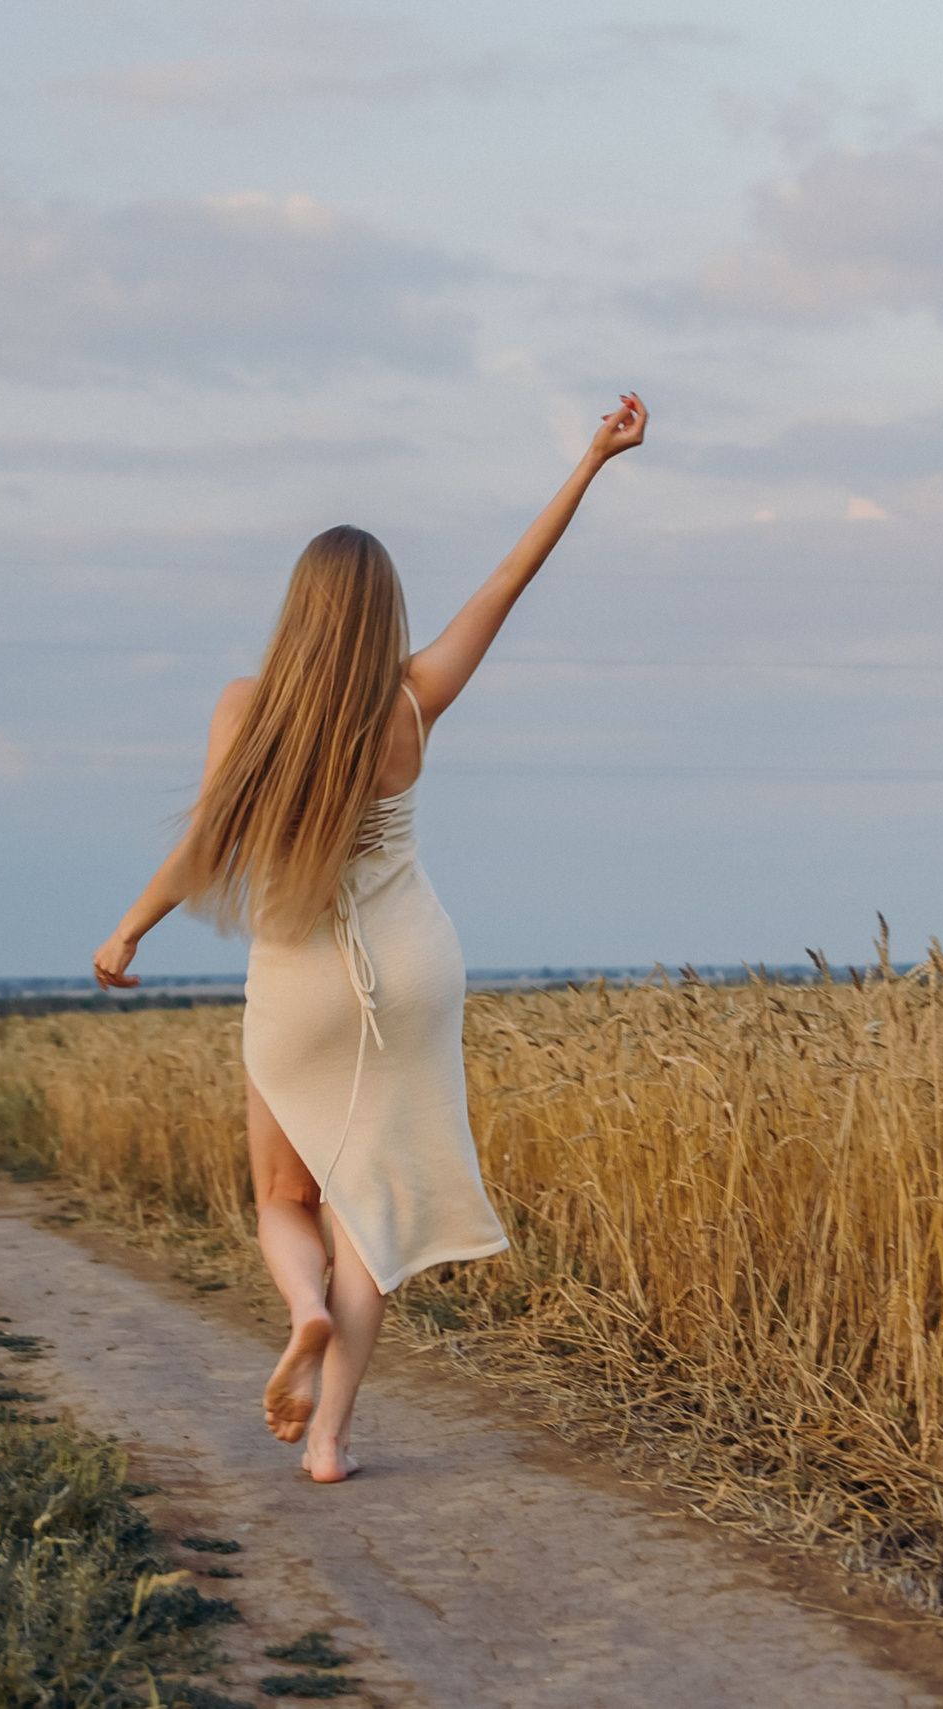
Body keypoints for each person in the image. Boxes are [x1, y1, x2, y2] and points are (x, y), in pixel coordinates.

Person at [92, 392, 648, 1482]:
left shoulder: (246, 707)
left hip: (299, 980)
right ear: (383, 610)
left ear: (298, 611)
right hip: (414, 971)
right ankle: (331, 1442)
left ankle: (302, 1306)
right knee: (371, 1217)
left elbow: (205, 845)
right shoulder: (413, 698)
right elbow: (508, 580)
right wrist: (592, 461)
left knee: (284, 1196)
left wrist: (127, 931)